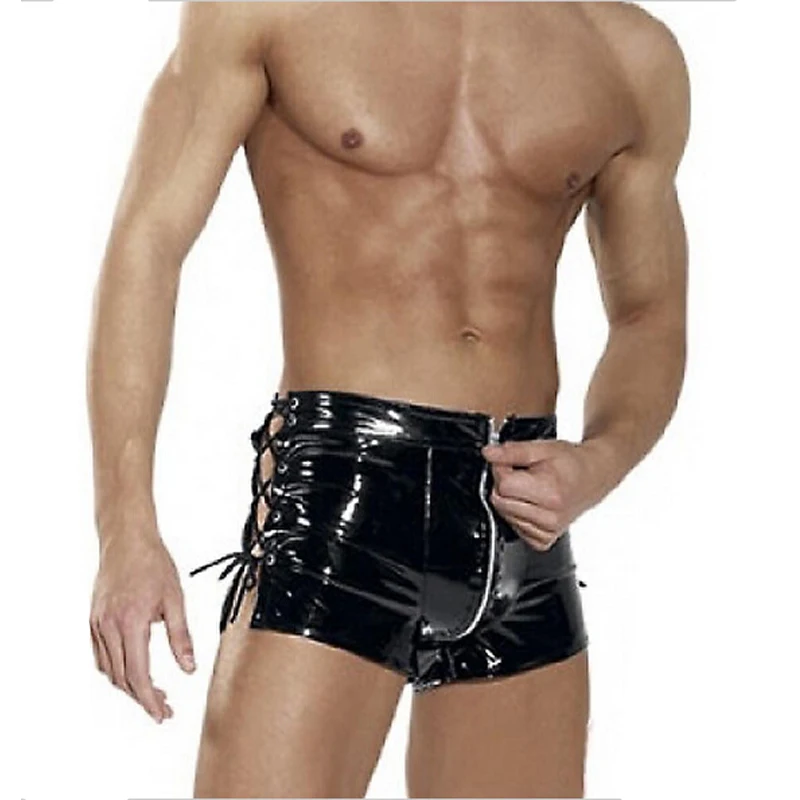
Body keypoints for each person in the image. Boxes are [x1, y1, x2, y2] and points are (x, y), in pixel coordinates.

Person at [86, 2, 689, 797]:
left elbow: (649, 316)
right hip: (340, 491)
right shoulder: (273, 11)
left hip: (521, 518)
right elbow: (148, 240)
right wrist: (125, 527)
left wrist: (600, 461)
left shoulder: (628, 54)